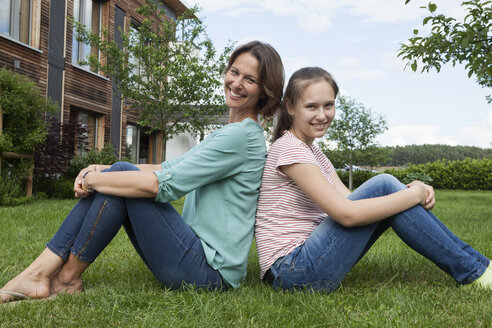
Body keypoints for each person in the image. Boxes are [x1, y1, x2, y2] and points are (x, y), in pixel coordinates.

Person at [0, 41, 285, 303]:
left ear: (264, 91)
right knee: (118, 175)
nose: (236, 83)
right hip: (197, 256)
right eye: (234, 72)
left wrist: (93, 180)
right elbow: (167, 168)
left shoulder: (242, 137)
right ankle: (50, 275)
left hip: (210, 273)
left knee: (119, 178)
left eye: (250, 79)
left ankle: (58, 276)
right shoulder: (232, 133)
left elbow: (160, 185)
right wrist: (103, 170)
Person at [254, 66, 491, 293]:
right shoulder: (290, 150)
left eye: (328, 105)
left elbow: (349, 199)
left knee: (388, 190)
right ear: (291, 107)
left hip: (304, 263)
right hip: (291, 270)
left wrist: (408, 195)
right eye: (311, 106)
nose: (322, 115)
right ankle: (475, 271)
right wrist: (413, 194)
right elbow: (347, 214)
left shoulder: (314, 153)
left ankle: (478, 267)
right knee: (385, 184)